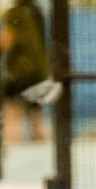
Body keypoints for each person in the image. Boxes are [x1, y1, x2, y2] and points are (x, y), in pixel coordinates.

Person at [0, 0, 50, 142]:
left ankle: (11, 145)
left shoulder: (14, 13)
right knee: (37, 116)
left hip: (21, 72)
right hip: (40, 72)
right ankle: (42, 143)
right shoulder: (37, 11)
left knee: (12, 113)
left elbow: (7, 41)